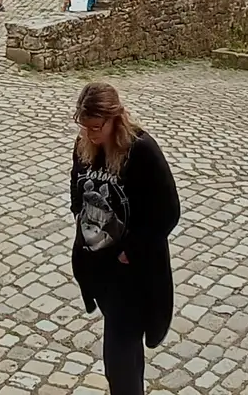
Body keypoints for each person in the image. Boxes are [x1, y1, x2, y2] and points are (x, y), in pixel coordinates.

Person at [70, 83, 180, 395]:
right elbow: (77, 191)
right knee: (126, 356)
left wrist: (130, 249)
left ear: (114, 119)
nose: (91, 135)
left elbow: (168, 212)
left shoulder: (141, 150)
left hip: (133, 274)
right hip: (100, 269)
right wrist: (83, 221)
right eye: (85, 127)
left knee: (117, 360)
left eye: (96, 127)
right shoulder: (84, 147)